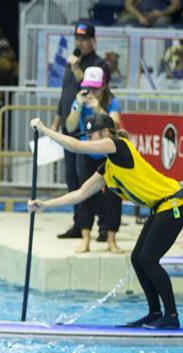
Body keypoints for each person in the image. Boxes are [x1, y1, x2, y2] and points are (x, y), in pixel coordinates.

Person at [28, 113, 183, 329]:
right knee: (138, 259)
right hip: (162, 207)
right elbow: (80, 194)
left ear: (105, 132)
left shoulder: (117, 144)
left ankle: (171, 316)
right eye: (87, 136)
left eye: (92, 135)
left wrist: (45, 130)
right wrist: (46, 205)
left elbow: (76, 146)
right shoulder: (108, 168)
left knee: (149, 259)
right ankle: (155, 313)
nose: (89, 140)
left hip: (176, 205)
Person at [53, 21, 108, 240]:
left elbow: (90, 91)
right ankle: (79, 224)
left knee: (93, 181)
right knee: (72, 180)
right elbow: (64, 95)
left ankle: (103, 227)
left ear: (93, 40)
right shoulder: (70, 64)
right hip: (69, 127)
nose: (80, 43)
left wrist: (77, 69)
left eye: (84, 39)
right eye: (78, 39)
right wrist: (57, 122)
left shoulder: (99, 65)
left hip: (89, 132)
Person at [64, 66, 123, 253]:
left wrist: (98, 108)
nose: (92, 92)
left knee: (114, 196)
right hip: (87, 154)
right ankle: (86, 239)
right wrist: (77, 107)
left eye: (95, 88)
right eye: (89, 87)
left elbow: (115, 125)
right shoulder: (80, 101)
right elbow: (70, 126)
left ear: (104, 86)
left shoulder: (113, 103)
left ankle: (111, 239)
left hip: (108, 155)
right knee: (85, 195)